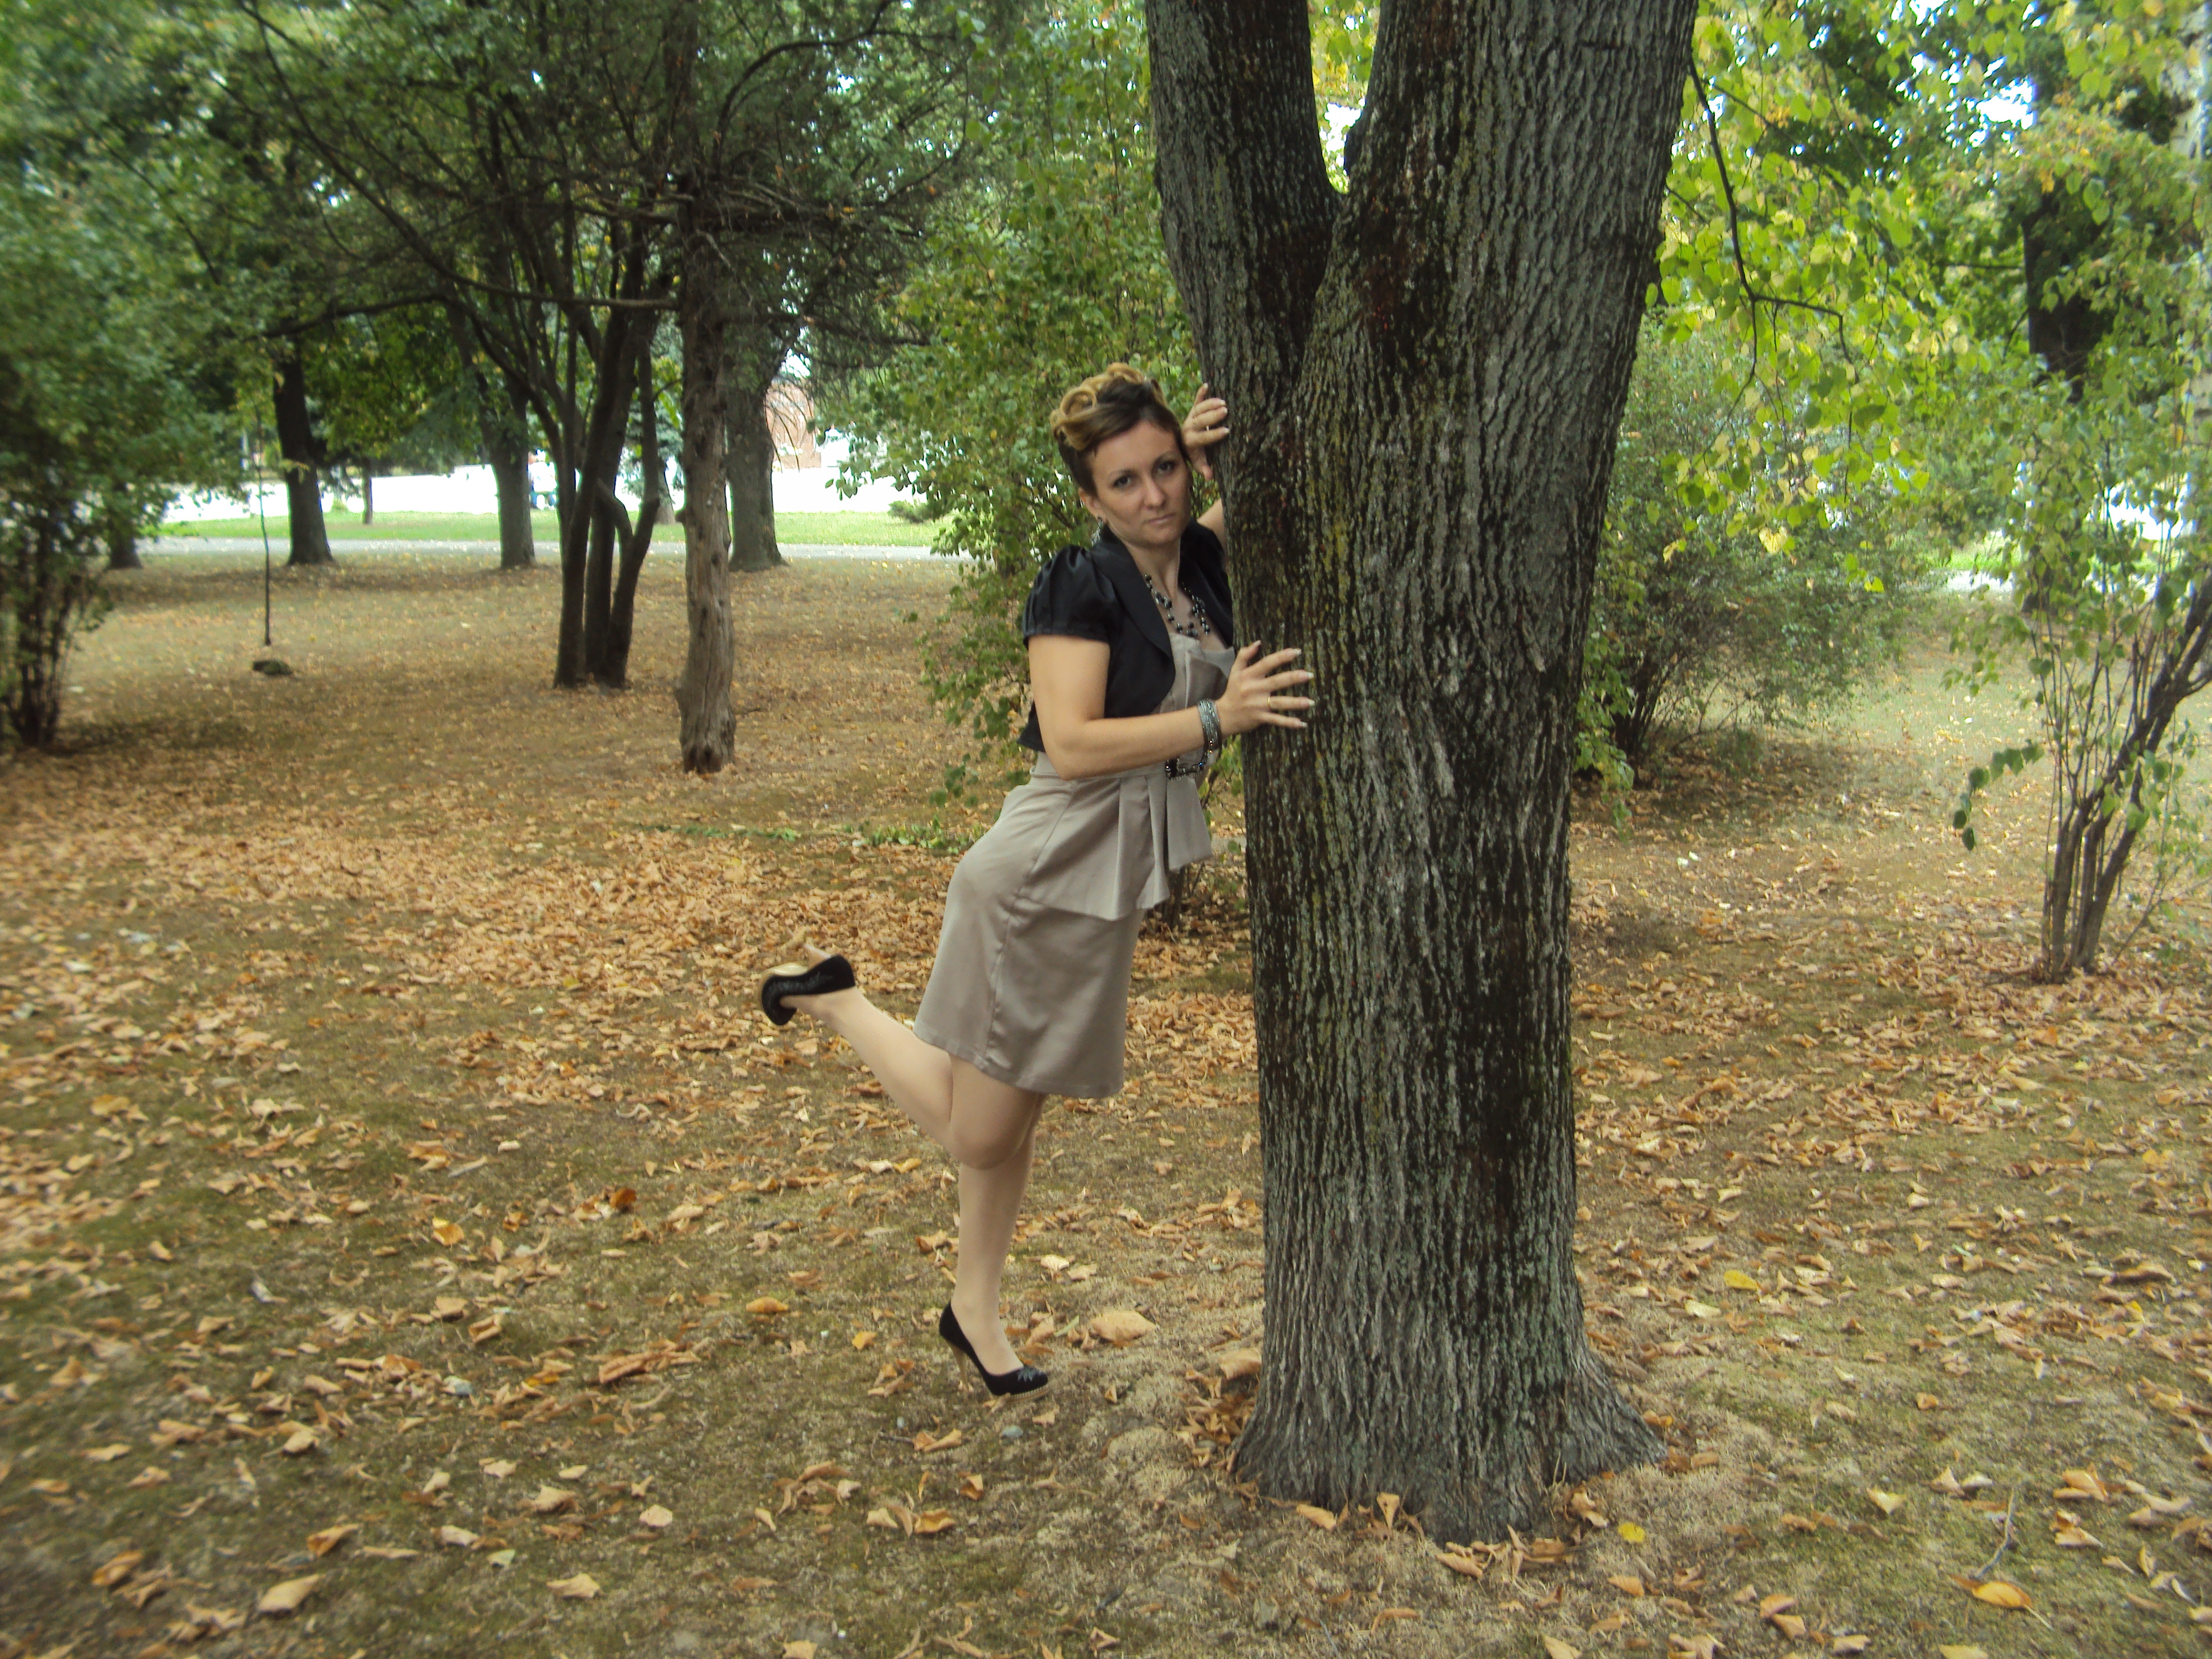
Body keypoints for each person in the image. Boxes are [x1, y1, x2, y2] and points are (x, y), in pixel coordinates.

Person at [760, 364, 1312, 1395]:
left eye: (1164, 470)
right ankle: (836, 1000)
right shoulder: (1080, 583)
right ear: (1090, 499)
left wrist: (1209, 463)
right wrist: (1216, 718)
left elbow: (1236, 511)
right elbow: (1071, 742)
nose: (1153, 497)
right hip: (1042, 871)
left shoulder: (1195, 562)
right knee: (980, 1128)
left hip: (1104, 881)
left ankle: (973, 1311)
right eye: (1124, 482)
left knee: (1014, 1113)